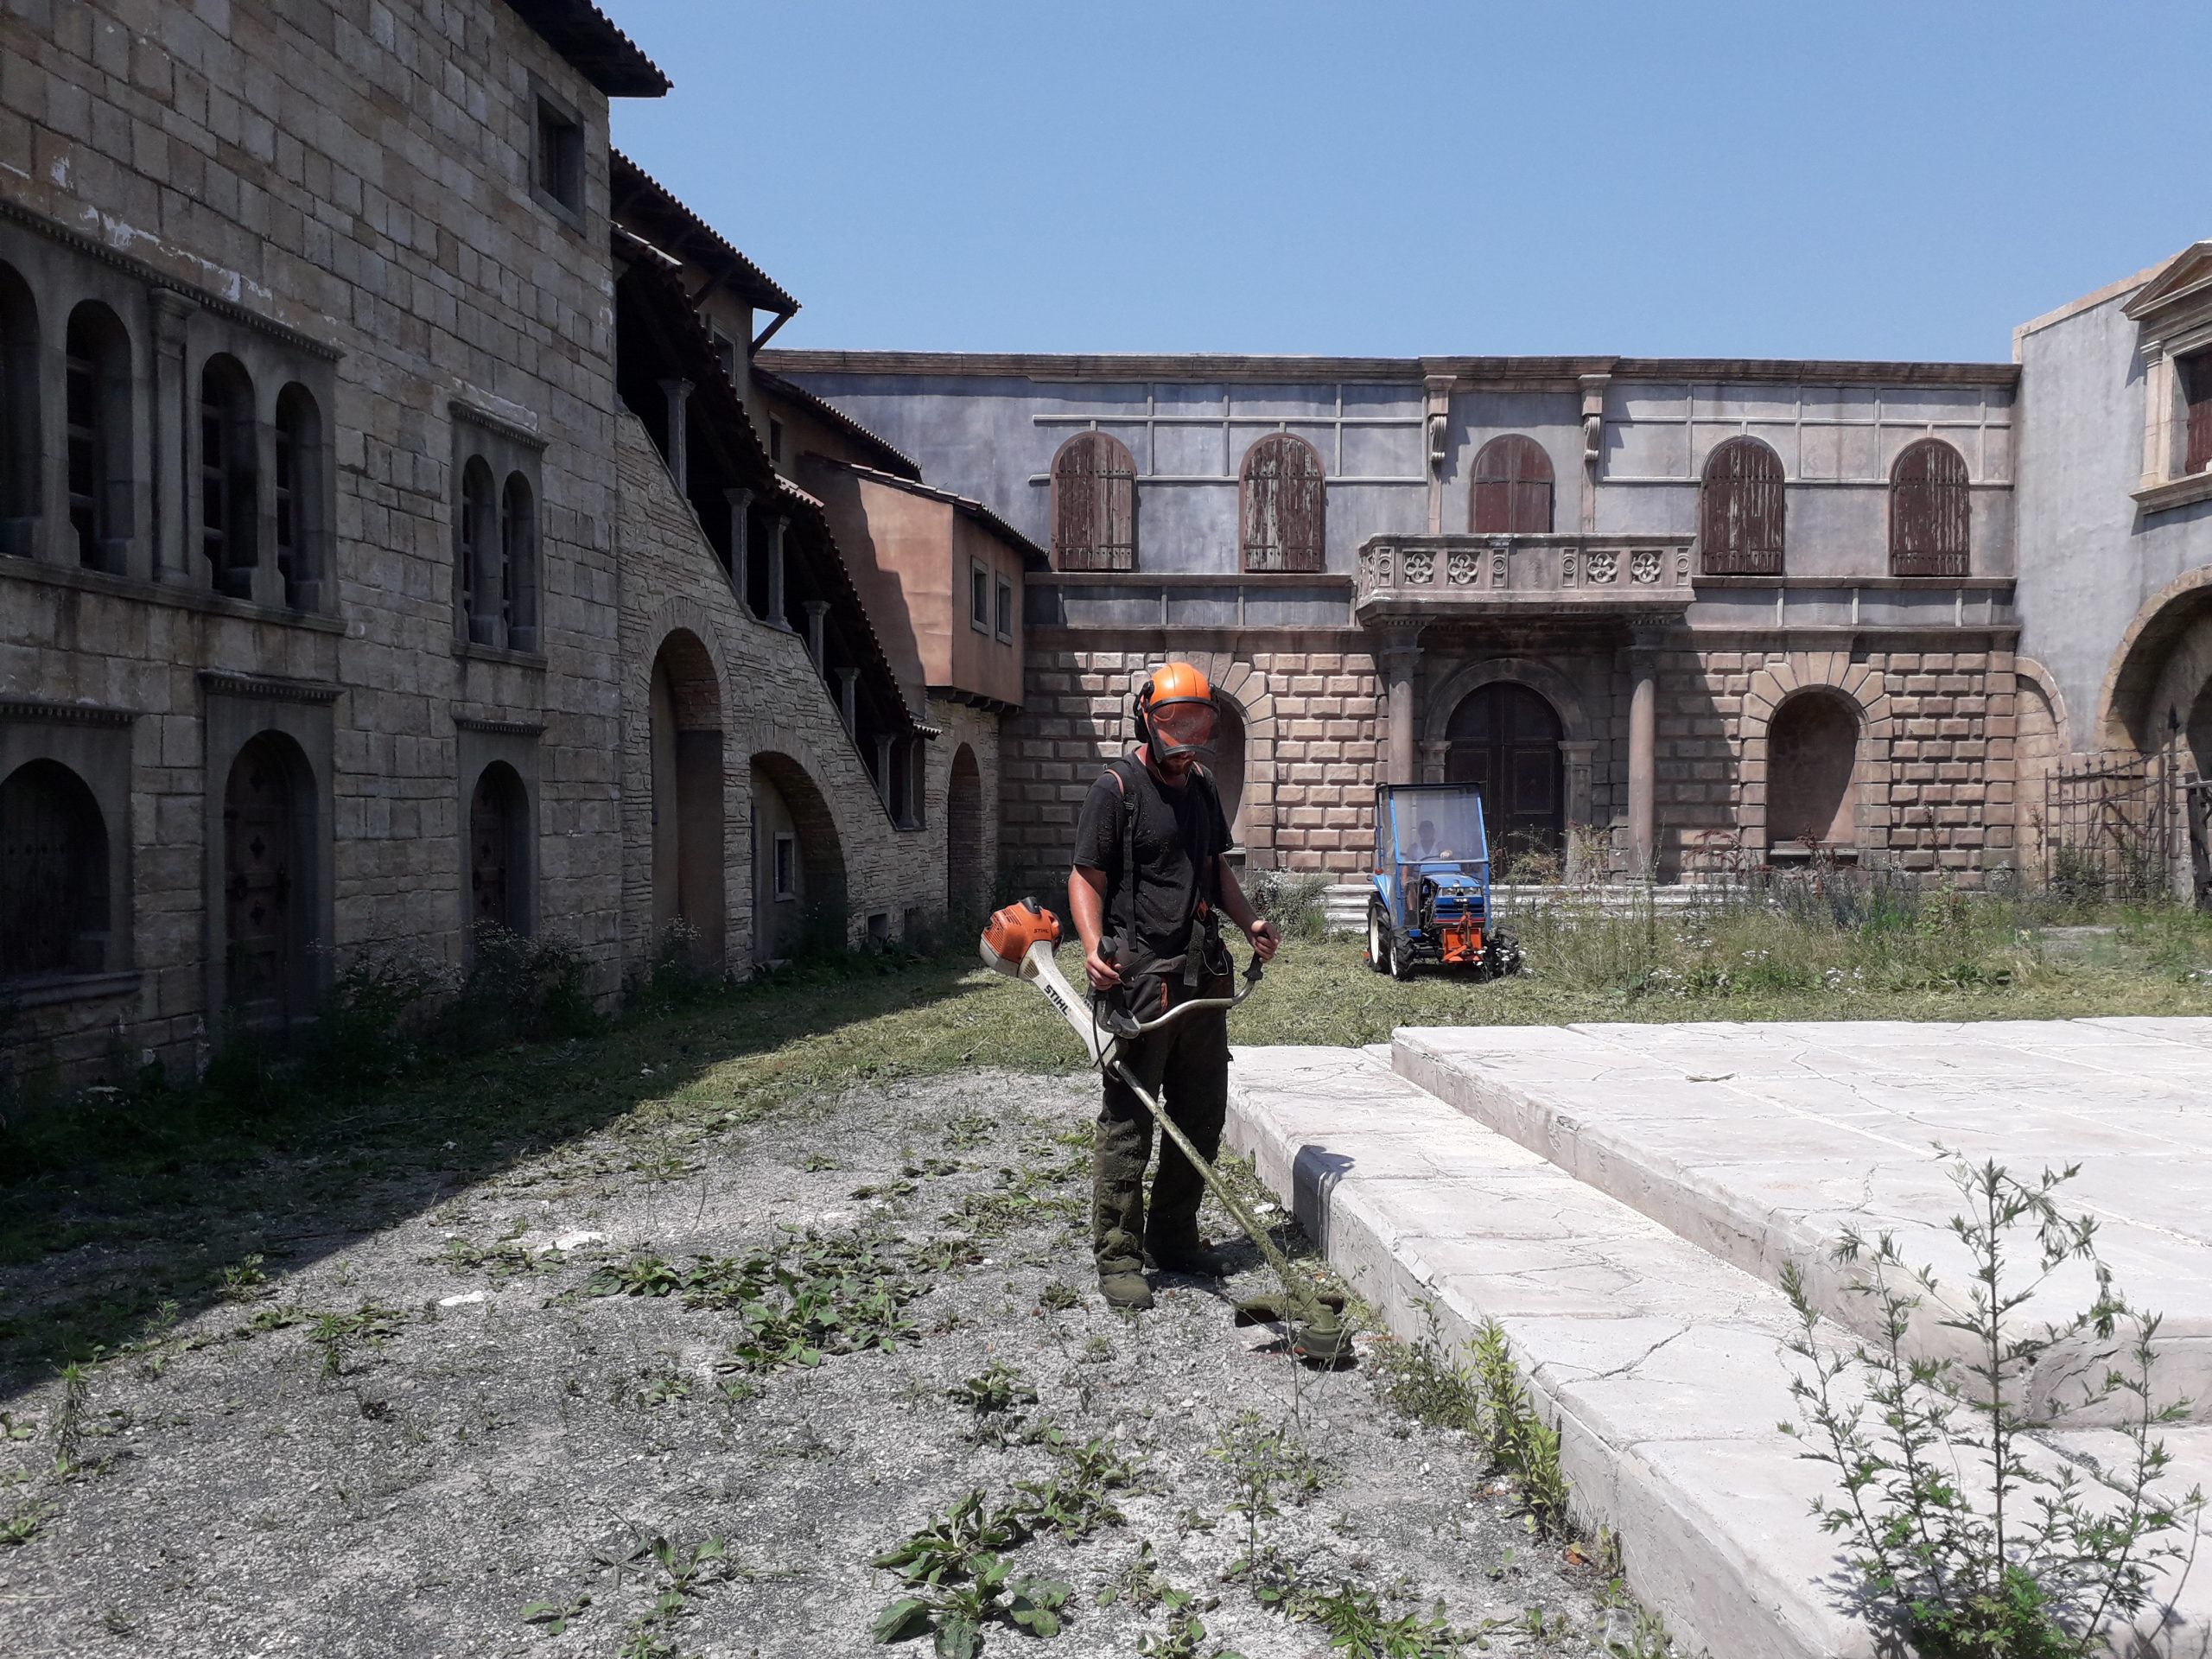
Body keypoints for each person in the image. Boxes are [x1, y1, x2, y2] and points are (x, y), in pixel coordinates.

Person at [1068, 661, 1280, 1312]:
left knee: (1200, 1115)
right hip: (1142, 982)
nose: (1186, 741)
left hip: (1202, 975)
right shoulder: (1116, 789)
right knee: (1130, 1122)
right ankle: (1118, 1255)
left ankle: (1175, 1237)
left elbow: (1214, 869)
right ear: (1147, 721)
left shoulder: (1203, 786)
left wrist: (1249, 922)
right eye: (1173, 725)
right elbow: (1085, 876)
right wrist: (1091, 946)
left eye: (1197, 726)